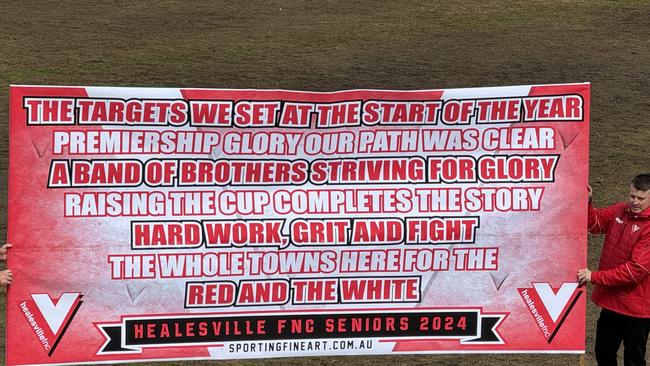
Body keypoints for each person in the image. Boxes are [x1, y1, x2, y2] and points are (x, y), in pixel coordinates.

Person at [577, 174, 650, 366]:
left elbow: (635, 271)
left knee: (633, 360)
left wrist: (594, 276)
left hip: (637, 310)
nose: (634, 201)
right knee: (603, 353)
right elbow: (595, 224)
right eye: (632, 196)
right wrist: (588, 202)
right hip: (612, 303)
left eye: (641, 198)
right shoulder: (620, 210)